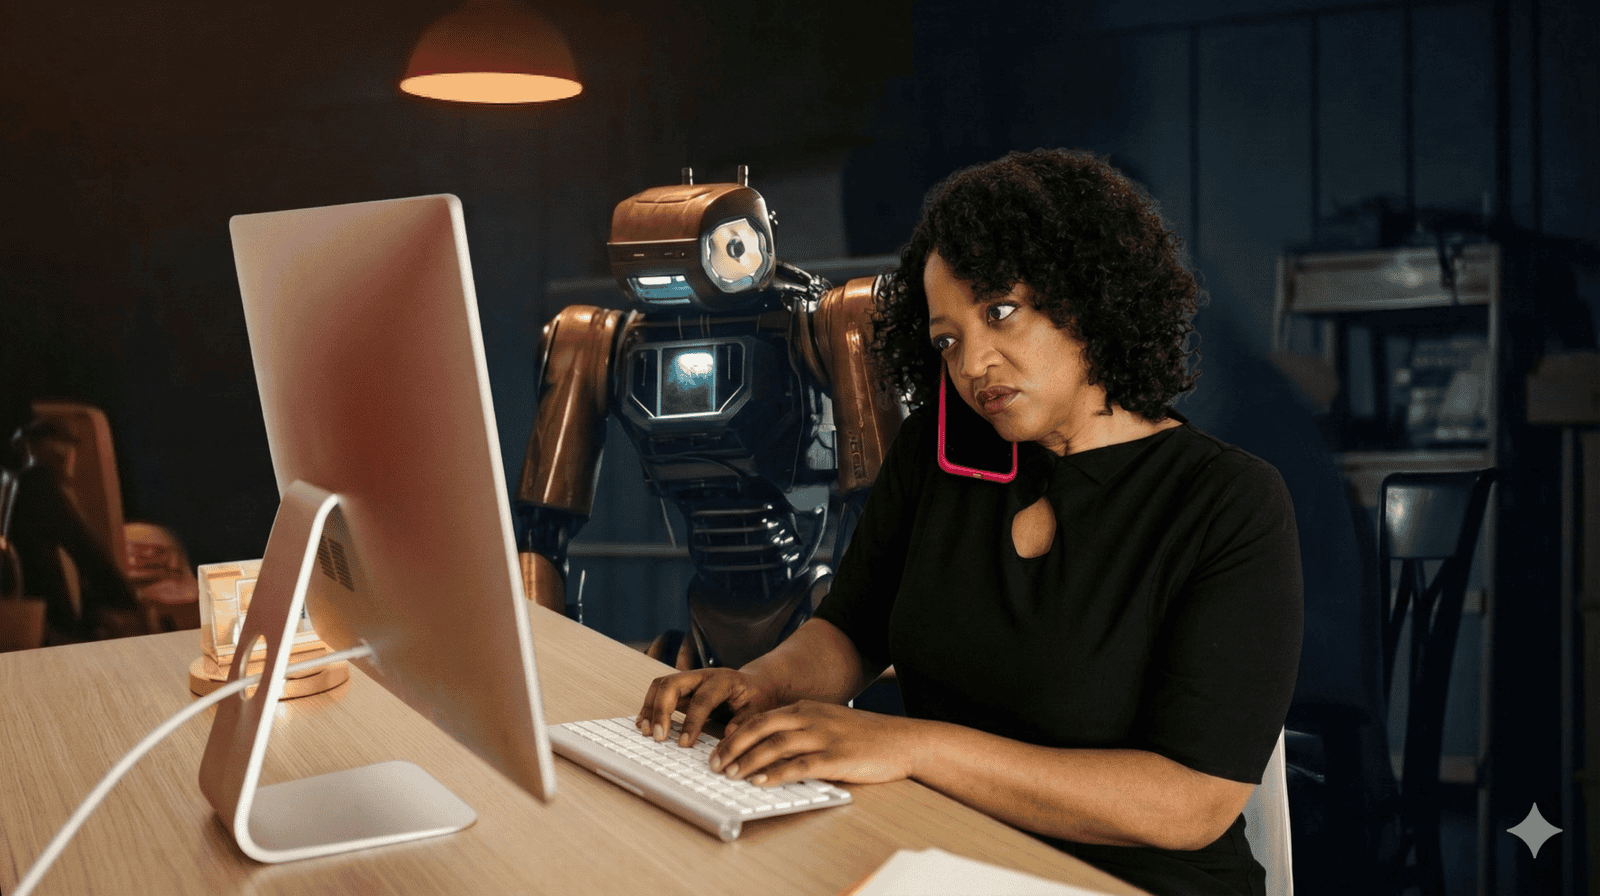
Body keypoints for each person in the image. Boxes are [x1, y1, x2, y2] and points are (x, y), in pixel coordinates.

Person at [635, 149, 1303, 895]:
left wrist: (914, 748)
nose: (972, 362)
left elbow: (1191, 804)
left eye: (1000, 313)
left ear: (1086, 295)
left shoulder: (1228, 502)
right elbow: (851, 631)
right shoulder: (941, 454)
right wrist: (755, 686)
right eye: (947, 340)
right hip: (942, 858)